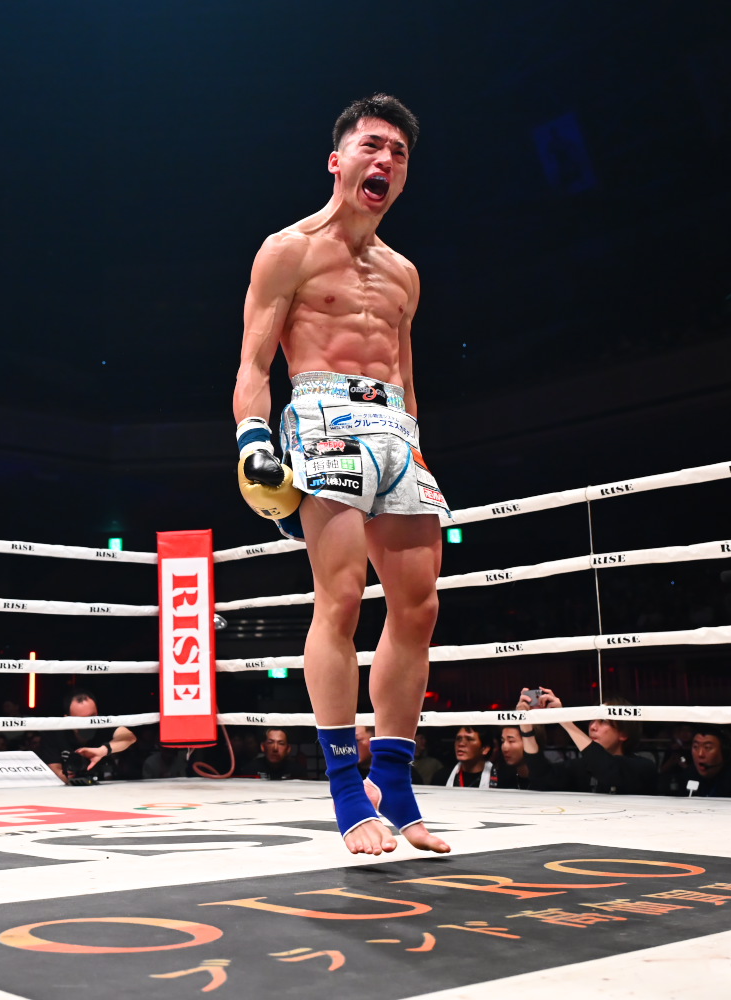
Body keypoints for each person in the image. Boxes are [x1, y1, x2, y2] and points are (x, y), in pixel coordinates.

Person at [232, 94, 449, 856]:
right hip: (323, 415)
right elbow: (255, 363)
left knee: (418, 607)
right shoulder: (287, 249)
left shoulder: (405, 274)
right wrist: (252, 439)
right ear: (337, 160)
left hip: (396, 429)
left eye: (399, 152)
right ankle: (346, 789)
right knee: (344, 597)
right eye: (372, 145)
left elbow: (407, 375)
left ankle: (395, 780)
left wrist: (417, 446)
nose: (385, 159)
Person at [532, 690, 658, 795]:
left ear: (623, 733)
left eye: (603, 721)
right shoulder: (581, 766)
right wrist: (526, 724)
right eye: (592, 720)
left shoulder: (643, 766)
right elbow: (542, 777)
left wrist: (563, 719)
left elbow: (608, 770)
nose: (592, 727)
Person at [35, 691, 136, 784]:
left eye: (92, 717)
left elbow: (129, 737)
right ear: (67, 719)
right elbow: (56, 771)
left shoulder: (103, 723)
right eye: (81, 720)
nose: (88, 723)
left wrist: (102, 750)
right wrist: (73, 780)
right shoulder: (55, 732)